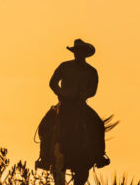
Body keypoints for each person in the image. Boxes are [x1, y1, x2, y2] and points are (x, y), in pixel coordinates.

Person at [37, 39, 109, 173]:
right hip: (64, 103)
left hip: (80, 104)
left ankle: (100, 156)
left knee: (98, 124)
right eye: (76, 52)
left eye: (80, 52)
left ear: (85, 54)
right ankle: (44, 157)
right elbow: (53, 82)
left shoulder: (91, 71)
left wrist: (83, 95)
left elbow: (92, 90)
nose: (78, 54)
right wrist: (60, 93)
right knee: (45, 124)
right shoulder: (64, 66)